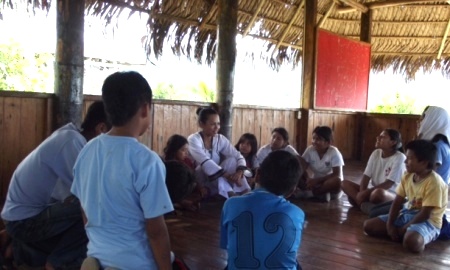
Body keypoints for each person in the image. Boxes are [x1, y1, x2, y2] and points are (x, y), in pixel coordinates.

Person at [71, 71, 173, 269]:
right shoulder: (147, 161)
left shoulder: (87, 150)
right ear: (145, 109)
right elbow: (156, 230)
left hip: (95, 260)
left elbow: (84, 209)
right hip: (135, 264)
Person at [1, 101, 110, 269]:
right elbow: (92, 197)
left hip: (23, 218)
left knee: (88, 216)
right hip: (23, 222)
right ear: (101, 128)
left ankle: (17, 249)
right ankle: (58, 264)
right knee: (94, 209)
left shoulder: (71, 136)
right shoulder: (72, 144)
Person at [220, 150, 305, 270]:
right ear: (292, 191)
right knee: (295, 263)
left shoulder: (230, 204)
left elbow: (227, 245)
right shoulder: (297, 213)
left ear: (257, 174)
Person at [363, 140, 448, 253]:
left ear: (424, 162)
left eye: (410, 158)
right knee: (368, 226)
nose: (405, 161)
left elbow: (425, 214)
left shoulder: (434, 182)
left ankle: (419, 236)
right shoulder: (408, 176)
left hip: (428, 221)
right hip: (407, 213)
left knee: (412, 243)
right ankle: (404, 233)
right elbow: (397, 202)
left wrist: (404, 228)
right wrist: (390, 224)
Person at [187, 107, 251, 198]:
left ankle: (246, 191)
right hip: (200, 180)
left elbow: (238, 156)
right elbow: (205, 162)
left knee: (232, 160)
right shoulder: (193, 139)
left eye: (218, 123)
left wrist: (239, 173)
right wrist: (228, 176)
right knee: (205, 167)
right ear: (201, 124)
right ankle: (230, 194)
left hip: (218, 180)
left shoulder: (220, 139)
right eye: (212, 124)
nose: (217, 127)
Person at [341, 129, 406, 212]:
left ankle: (363, 204)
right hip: (373, 191)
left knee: (377, 194)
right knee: (344, 183)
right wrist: (362, 193)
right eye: (379, 135)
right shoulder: (376, 153)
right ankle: (366, 205)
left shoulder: (400, 157)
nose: (378, 137)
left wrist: (363, 194)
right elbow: (366, 177)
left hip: (390, 193)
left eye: (383, 137)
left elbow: (388, 184)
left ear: (393, 142)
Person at [300, 126, 344, 202]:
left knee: (338, 181)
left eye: (318, 139)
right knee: (297, 171)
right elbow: (301, 168)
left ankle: (311, 194)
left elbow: (337, 174)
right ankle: (320, 194)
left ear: (328, 142)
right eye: (313, 138)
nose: (314, 141)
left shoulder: (334, 152)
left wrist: (317, 181)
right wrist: (307, 179)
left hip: (329, 184)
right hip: (315, 183)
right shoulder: (310, 150)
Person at [163, 134, 204, 212]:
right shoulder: (166, 163)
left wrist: (199, 188)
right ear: (174, 150)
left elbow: (193, 178)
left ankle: (180, 203)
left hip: (186, 192)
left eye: (187, 150)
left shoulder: (187, 161)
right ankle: (177, 202)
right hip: (171, 192)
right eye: (183, 150)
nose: (186, 153)